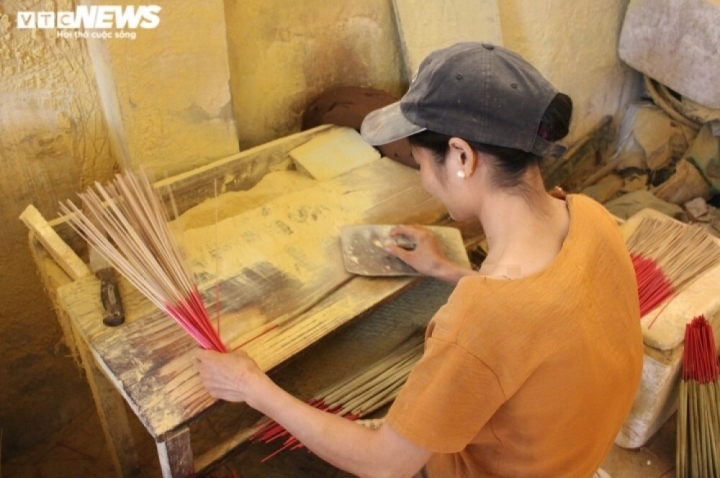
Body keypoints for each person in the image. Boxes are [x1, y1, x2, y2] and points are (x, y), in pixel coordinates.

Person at [195, 42, 644, 477]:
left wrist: (252, 387)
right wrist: (448, 270)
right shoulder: (592, 218)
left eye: (419, 161)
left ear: (462, 156)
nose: (425, 180)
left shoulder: (481, 316)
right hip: (567, 458)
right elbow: (540, 319)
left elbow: (384, 464)